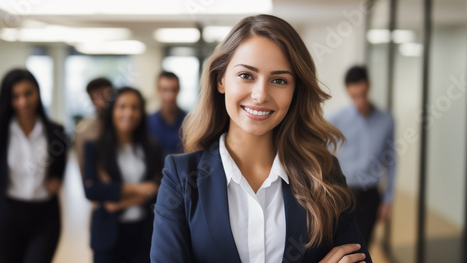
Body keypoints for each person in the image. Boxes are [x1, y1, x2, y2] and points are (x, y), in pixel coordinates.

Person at [151, 15, 372, 263]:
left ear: (295, 91)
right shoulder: (180, 177)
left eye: (279, 80)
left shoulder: (324, 173)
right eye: (246, 75)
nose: (260, 95)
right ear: (221, 79)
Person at [0, 68, 68, 263]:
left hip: (45, 216)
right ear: (8, 99)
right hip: (7, 216)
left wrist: (58, 179)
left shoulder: (55, 131)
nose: (23, 102)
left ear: (37, 92)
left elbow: (60, 164)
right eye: (15, 96)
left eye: (28, 93)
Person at [83, 87, 163, 263]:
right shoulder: (95, 148)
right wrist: (140, 189)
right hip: (108, 236)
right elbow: (92, 190)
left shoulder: (152, 148)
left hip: (144, 235)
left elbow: (159, 189)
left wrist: (120, 201)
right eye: (122, 107)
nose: (129, 112)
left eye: (135, 107)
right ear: (112, 111)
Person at [328, 66, 396, 246]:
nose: (359, 101)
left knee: (363, 247)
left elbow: (391, 161)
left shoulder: (387, 120)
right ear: (348, 92)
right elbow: (322, 154)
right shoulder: (336, 118)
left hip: (370, 195)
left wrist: (388, 199)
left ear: (369, 86)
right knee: (340, 246)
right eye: (354, 96)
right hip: (343, 193)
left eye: (362, 94)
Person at [74, 77, 113, 175]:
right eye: (95, 98)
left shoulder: (125, 123)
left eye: (104, 96)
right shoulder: (83, 129)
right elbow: (83, 169)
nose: (101, 103)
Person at [148, 71, 186, 158]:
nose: (170, 96)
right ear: (157, 91)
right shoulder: (147, 122)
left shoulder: (190, 122)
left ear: (179, 90)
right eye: (165, 90)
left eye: (174, 89)